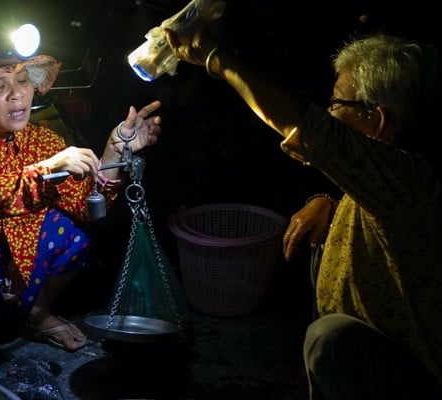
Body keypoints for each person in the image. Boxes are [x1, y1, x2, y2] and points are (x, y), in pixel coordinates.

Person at [165, 16, 442, 400]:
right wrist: (324, 201)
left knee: (329, 338)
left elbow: (308, 129)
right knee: (322, 242)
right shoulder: (379, 183)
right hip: (376, 358)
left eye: (336, 103)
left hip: (416, 380)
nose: (329, 113)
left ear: (376, 121)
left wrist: (216, 58)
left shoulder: (408, 182)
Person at [0, 36, 162, 365]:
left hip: (19, 265)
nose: (16, 93)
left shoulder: (42, 138)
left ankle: (36, 315)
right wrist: (44, 171)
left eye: (22, 80)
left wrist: (115, 148)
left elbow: (85, 206)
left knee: (75, 231)